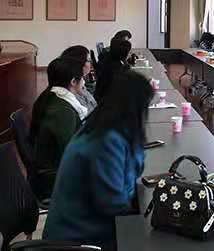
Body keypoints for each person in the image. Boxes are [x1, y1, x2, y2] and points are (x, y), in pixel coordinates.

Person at [43, 71, 153, 250]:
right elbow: (114, 203)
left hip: (84, 226)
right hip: (79, 238)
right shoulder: (106, 141)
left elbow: (132, 173)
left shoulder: (102, 124)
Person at [29, 57, 89, 200]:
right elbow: (71, 156)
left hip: (55, 173)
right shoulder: (62, 111)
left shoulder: (54, 96)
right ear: (73, 82)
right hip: (55, 181)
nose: (84, 82)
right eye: (82, 79)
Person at [60, 45, 98, 113]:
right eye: (89, 60)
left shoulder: (81, 81)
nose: (91, 63)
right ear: (79, 64)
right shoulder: (74, 89)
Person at [94, 38, 131, 103]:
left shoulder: (109, 58)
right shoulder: (117, 67)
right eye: (128, 52)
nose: (129, 54)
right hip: (108, 101)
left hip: (101, 96)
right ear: (124, 53)